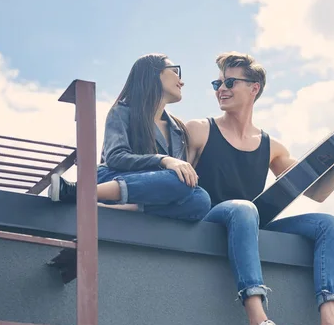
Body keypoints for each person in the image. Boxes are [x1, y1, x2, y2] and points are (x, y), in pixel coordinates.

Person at [185, 52, 334, 325]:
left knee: (330, 224)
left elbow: (318, 192)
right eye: (218, 82)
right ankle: (258, 324)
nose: (220, 89)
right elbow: (177, 187)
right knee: (242, 208)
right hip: (210, 221)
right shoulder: (199, 130)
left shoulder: (272, 147)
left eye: (229, 82)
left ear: (254, 88)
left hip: (249, 223)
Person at [48, 53, 211, 222]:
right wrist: (163, 160)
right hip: (112, 178)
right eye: (175, 71)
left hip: (152, 192)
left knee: (201, 199)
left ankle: (124, 209)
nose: (181, 81)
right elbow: (115, 157)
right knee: (179, 180)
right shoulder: (122, 111)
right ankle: (81, 192)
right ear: (153, 73)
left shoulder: (177, 130)